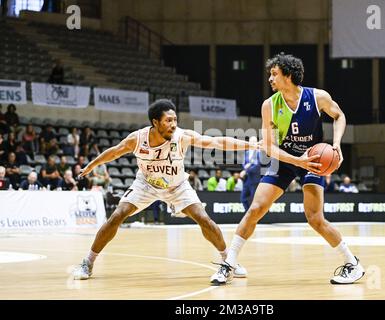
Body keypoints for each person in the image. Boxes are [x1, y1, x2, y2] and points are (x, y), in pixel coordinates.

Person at [211, 53, 364, 286]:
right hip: (284, 159)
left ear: (288, 76)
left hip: (313, 160)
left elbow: (339, 115)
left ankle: (353, 264)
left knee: (315, 219)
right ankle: (229, 264)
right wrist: (296, 160)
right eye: (269, 75)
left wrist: (336, 144)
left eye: (274, 74)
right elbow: (270, 148)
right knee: (256, 208)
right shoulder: (269, 105)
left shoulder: (317, 97)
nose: (270, 79)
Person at [72, 99, 258, 280]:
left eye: (175, 120)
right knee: (117, 216)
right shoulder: (138, 139)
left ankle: (229, 261)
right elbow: (114, 151)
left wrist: (251, 145)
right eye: (168, 120)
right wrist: (91, 165)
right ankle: (88, 262)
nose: (173, 124)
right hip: (146, 184)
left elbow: (216, 142)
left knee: (204, 219)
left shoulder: (181, 136)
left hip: (177, 186)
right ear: (155, 122)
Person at [240, 136, 261, 210]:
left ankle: (254, 218)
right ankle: (248, 215)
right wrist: (245, 168)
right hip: (246, 180)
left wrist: (246, 170)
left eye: (254, 142)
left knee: (254, 200)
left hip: (255, 180)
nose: (252, 143)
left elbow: (257, 166)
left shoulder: (259, 153)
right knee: (243, 199)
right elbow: (244, 163)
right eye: (251, 142)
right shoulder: (246, 153)